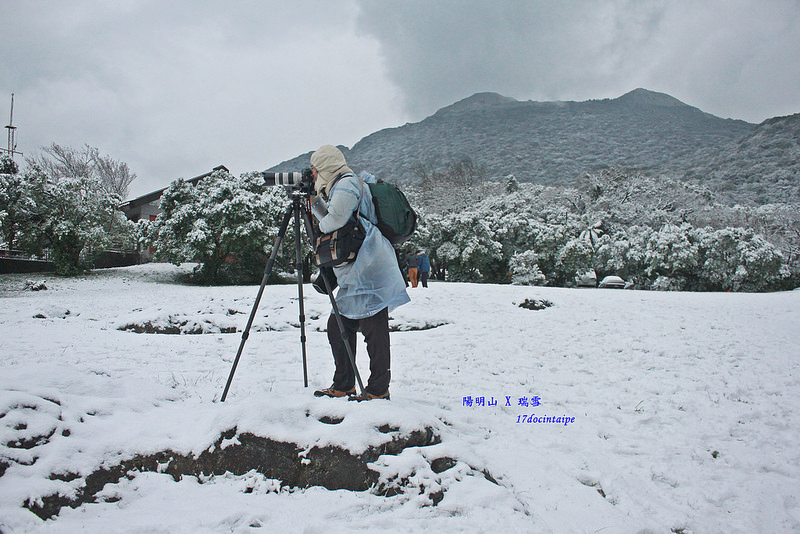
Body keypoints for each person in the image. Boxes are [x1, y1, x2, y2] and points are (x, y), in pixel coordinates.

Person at [309, 145, 410, 401]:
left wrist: (316, 213)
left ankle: (378, 389)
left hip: (370, 268)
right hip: (359, 268)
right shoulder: (338, 185)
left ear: (325, 166)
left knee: (373, 329)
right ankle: (344, 384)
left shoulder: (346, 184)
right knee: (339, 326)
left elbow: (335, 220)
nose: (312, 173)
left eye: (315, 168)